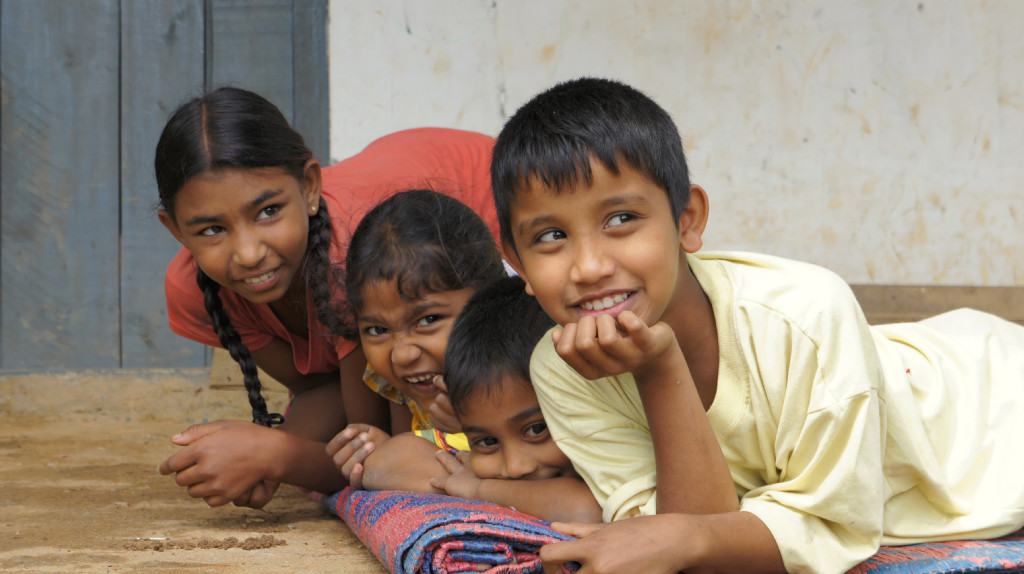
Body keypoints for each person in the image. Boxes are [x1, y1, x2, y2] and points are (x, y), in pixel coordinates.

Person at [488, 77, 1024, 574]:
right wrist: (659, 366)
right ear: (518, 262)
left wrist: (684, 536)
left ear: (687, 220)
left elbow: (829, 526)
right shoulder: (559, 369)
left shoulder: (806, 311)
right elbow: (682, 536)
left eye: (621, 219)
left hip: (988, 405)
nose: (589, 266)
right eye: (550, 237)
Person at [153, 87, 499, 509]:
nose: (248, 253)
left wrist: (277, 455)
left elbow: (372, 449)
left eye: (267, 212)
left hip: (489, 192)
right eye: (211, 230)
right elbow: (321, 385)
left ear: (310, 187)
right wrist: (267, 455)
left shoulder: (355, 263)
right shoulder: (197, 289)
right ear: (175, 229)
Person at [324, 188, 507, 488]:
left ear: (490, 299)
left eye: (428, 320)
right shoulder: (412, 382)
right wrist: (382, 447)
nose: (402, 355)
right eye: (377, 330)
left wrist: (477, 429)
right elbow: (411, 444)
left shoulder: (525, 366)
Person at [429, 275, 602, 524]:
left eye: (537, 429)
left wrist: (480, 490)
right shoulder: (471, 463)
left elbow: (585, 510)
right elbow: (388, 460)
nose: (515, 467)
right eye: (487, 441)